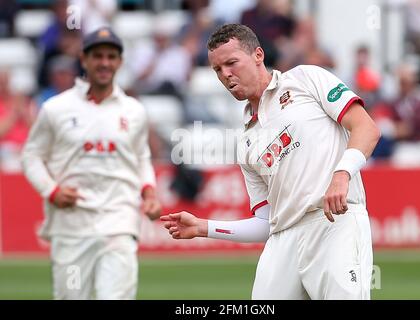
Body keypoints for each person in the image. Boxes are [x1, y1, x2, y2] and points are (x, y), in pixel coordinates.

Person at [161, 24, 381, 300]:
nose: (226, 75)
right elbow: (266, 222)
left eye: (231, 63)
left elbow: (366, 128)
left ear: (258, 55)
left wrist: (342, 174)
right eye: (217, 70)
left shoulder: (306, 79)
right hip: (283, 239)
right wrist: (203, 227)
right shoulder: (245, 141)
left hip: (334, 224)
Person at [21, 27, 161, 300]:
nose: (105, 63)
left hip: (119, 222)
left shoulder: (134, 111)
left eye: (111, 56)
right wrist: (52, 191)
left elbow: (141, 157)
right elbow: (31, 156)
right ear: (83, 59)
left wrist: (150, 192)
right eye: (97, 56)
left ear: (120, 62)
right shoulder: (56, 108)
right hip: (72, 226)